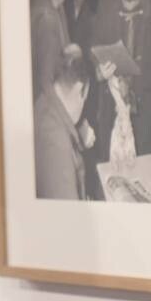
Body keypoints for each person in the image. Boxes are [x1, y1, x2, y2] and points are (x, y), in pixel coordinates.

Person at [89, 0, 151, 158]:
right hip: (112, 103)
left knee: (145, 167)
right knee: (112, 166)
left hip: (144, 108)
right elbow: (94, 48)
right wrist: (98, 70)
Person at [34, 45, 96, 200]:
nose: (83, 106)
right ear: (78, 89)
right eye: (85, 99)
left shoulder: (43, 101)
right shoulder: (58, 146)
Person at [30, 0, 71, 99]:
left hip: (55, 86)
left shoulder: (58, 8)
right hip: (46, 96)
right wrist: (63, 114)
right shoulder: (46, 17)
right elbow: (45, 80)